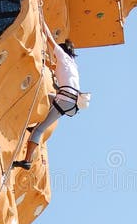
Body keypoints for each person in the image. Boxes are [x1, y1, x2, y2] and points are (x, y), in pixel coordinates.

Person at [12, 24, 83, 171]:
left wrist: (42, 21)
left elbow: (50, 39)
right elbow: (57, 69)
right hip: (69, 101)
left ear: (61, 51)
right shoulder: (72, 65)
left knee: (39, 130)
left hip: (65, 100)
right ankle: (35, 128)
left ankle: (27, 161)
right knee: (45, 97)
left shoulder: (62, 56)